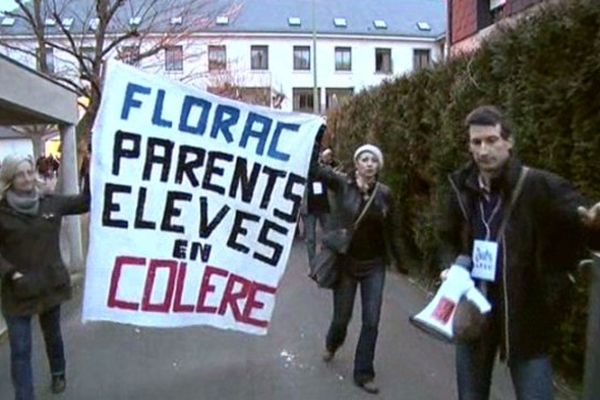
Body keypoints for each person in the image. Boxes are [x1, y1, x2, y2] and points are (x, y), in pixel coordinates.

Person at [438, 105, 600, 400]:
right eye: (477, 142)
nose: (484, 150)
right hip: (473, 304)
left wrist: (591, 221)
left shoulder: (537, 184)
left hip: (525, 310)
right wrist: (449, 266)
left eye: (491, 140)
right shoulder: (461, 186)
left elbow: (579, 214)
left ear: (509, 142)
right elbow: (446, 236)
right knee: (470, 395)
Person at [312, 139, 404, 395]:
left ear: (378, 166)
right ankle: (333, 342)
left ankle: (363, 372)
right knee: (342, 317)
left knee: (371, 321)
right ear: (356, 163)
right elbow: (315, 171)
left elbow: (393, 230)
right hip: (346, 264)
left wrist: (400, 261)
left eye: (374, 160)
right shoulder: (342, 184)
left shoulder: (384, 193)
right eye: (365, 159)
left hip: (374, 265)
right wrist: (315, 141)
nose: (370, 164)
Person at [0, 154, 90, 400]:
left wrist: (93, 165)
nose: (27, 178)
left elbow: (85, 203)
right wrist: (11, 272)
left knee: (52, 335)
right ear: (9, 179)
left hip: (48, 285)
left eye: (30, 172)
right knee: (20, 348)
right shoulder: (2, 212)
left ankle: (58, 372)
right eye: (20, 174)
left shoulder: (50, 202)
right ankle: (24, 395)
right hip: (16, 291)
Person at [302, 148, 339, 267]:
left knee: (328, 235)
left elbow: (335, 174)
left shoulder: (324, 168)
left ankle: (326, 262)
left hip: (324, 206)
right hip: (309, 207)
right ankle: (312, 265)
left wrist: (327, 162)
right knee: (310, 238)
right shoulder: (302, 169)